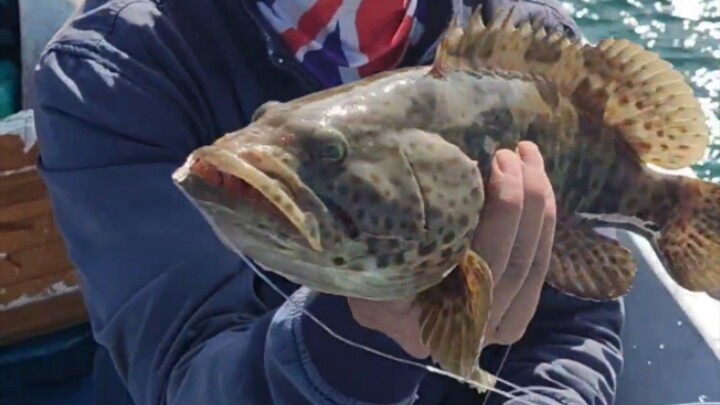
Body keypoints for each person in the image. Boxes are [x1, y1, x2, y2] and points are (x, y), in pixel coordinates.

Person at [32, 0, 624, 404]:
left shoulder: (519, 35)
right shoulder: (115, 73)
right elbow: (182, 374)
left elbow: (571, 329)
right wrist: (366, 332)